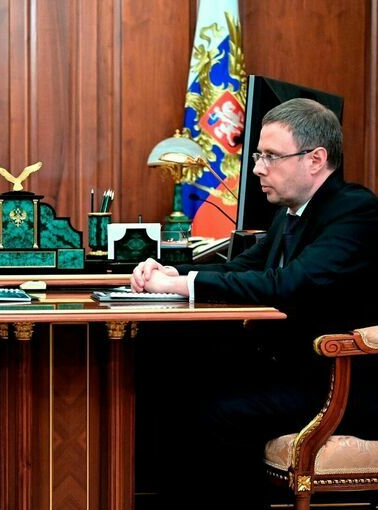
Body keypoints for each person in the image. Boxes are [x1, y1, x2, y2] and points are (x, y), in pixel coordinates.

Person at [131, 98, 378, 509]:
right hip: (289, 368)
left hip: (337, 384)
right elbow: (241, 267)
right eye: (258, 156)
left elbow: (289, 283)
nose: (258, 168)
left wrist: (179, 285)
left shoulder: (355, 211)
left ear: (315, 159)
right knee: (170, 377)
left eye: (270, 156)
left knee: (214, 411)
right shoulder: (290, 212)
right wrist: (172, 273)